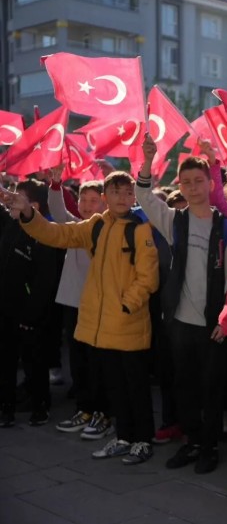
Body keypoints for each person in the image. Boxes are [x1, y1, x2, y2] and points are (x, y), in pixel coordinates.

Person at [2, 172, 159, 464]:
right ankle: (124, 437)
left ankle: (143, 440)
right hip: (101, 327)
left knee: (135, 387)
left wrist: (126, 306)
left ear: (134, 197)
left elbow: (148, 277)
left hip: (128, 325)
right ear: (106, 197)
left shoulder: (140, 229)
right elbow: (58, 234)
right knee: (115, 387)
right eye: (116, 192)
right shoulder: (96, 225)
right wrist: (28, 213)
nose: (122, 198)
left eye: (128, 193)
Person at [136, 134, 227, 475]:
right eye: (186, 182)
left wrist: (226, 321)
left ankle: (209, 447)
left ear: (211, 184)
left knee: (212, 390)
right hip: (179, 323)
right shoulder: (175, 221)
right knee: (184, 387)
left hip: (213, 327)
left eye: (199, 181)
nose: (193, 187)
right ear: (179, 186)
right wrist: (148, 160)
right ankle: (192, 442)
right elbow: (143, 196)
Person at [48, 176, 112, 439]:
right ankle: (84, 410)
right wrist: (55, 185)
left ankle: (102, 414)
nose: (86, 205)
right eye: (83, 200)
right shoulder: (76, 227)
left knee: (97, 363)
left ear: (104, 203)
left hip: (98, 307)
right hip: (73, 304)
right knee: (78, 362)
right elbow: (57, 212)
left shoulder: (109, 231)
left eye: (93, 200)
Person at [0, 180, 63, 428]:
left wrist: (32, 314)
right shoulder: (8, 223)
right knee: (6, 361)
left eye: (19, 197)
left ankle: (40, 406)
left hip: (30, 313)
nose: (12, 200)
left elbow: (45, 280)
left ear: (34, 206)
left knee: (34, 361)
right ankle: (6, 409)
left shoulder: (44, 233)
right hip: (5, 308)